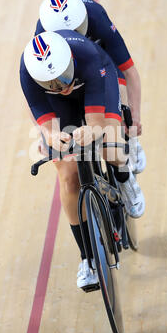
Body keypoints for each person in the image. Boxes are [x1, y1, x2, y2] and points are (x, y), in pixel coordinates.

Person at [20, 30, 145, 291]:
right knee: (67, 176)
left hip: (96, 82)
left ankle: (124, 175)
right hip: (57, 105)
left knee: (108, 144)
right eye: (53, 82)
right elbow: (41, 117)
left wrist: (91, 130)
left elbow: (97, 125)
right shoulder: (28, 73)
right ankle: (87, 258)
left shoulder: (86, 55)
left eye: (63, 76)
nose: (62, 85)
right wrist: (51, 137)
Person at [36, 0, 146, 174]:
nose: (75, 39)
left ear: (84, 19)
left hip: (102, 67)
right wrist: (45, 132)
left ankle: (127, 147)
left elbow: (127, 69)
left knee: (115, 117)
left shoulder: (96, 17)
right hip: (67, 79)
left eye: (79, 30)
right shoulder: (42, 39)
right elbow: (35, 90)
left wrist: (134, 115)